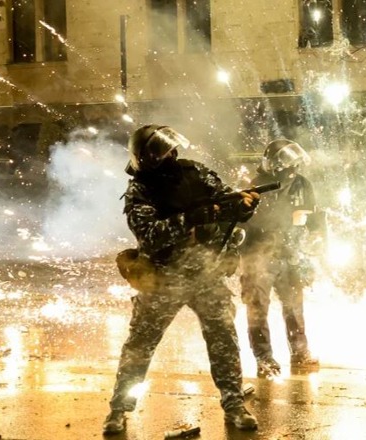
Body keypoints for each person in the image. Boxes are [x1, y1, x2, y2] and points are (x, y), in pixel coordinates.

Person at [103, 124, 261, 434]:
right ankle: (118, 409)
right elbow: (149, 237)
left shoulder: (195, 172)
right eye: (165, 152)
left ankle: (233, 404)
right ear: (147, 157)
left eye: (173, 149)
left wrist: (243, 207)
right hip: (162, 278)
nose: (173, 156)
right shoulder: (140, 191)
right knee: (140, 345)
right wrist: (190, 219)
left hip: (205, 273)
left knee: (223, 340)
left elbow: (228, 202)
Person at [239, 139, 322, 377]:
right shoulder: (253, 186)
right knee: (257, 309)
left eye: (296, 165)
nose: (294, 170)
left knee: (294, 307)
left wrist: (316, 237)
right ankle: (264, 359)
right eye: (289, 165)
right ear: (275, 165)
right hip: (258, 255)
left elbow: (315, 216)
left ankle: (300, 353)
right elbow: (240, 221)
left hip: (290, 253)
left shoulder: (303, 185)